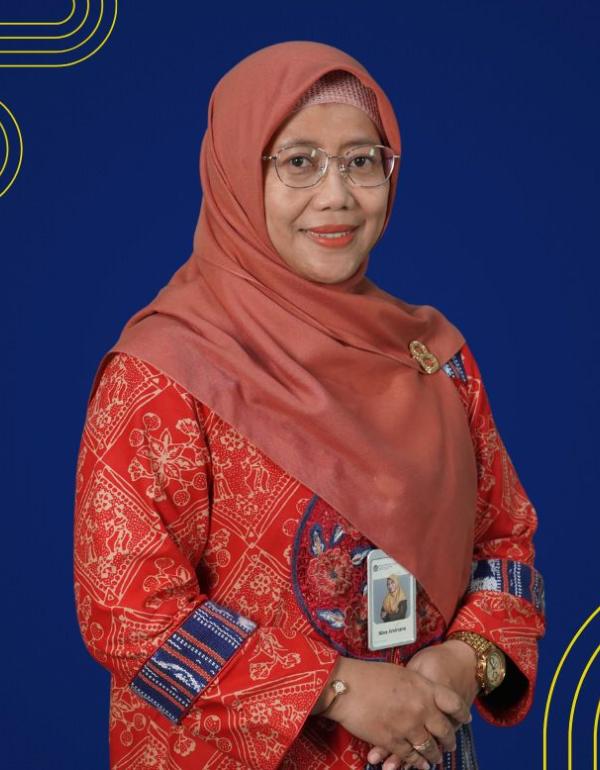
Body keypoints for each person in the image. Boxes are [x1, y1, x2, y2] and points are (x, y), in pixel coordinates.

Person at [73, 41, 546, 770]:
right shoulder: (164, 374)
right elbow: (128, 612)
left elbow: (505, 541)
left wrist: (464, 660)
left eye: (361, 161)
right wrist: (335, 689)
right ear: (238, 174)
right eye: (299, 162)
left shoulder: (434, 357)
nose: (337, 196)